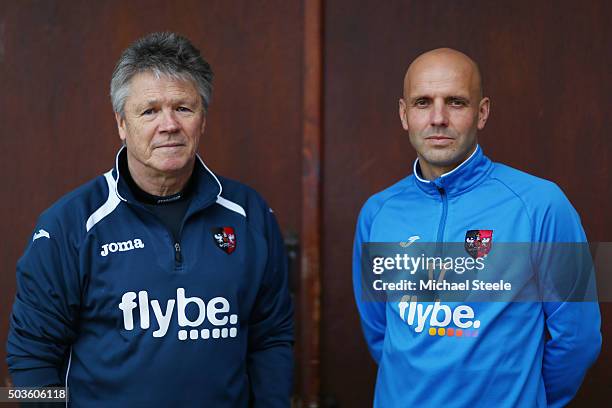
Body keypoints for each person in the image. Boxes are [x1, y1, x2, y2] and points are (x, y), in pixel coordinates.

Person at [7, 32, 293, 407]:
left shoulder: (249, 214)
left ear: (202, 120)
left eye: (183, 108)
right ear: (122, 124)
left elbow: (271, 337)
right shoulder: (68, 227)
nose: (169, 124)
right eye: (149, 110)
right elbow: (30, 357)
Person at [352, 48, 601, 407]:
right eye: (423, 102)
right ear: (404, 115)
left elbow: (579, 339)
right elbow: (380, 332)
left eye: (455, 102)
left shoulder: (543, 204)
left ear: (481, 113)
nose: (438, 118)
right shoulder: (377, 213)